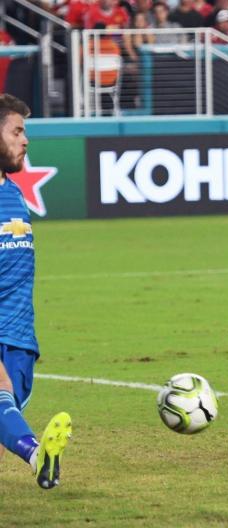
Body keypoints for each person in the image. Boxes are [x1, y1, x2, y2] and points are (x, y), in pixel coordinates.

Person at [0, 94, 72, 490]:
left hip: (19, 338)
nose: (25, 140)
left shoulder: (13, 193)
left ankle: (31, 452)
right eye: (16, 132)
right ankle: (36, 454)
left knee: (5, 411)